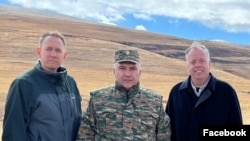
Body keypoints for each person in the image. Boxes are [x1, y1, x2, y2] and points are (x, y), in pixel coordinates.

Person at [2, 31, 82, 141]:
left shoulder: (71, 83)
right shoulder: (24, 84)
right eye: (49, 49)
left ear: (64, 56)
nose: (53, 54)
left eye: (58, 50)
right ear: (39, 52)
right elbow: (13, 132)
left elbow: (78, 125)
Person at [77, 49, 171, 140]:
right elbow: (85, 135)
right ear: (114, 71)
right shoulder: (98, 98)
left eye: (133, 69)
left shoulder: (154, 101)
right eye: (122, 68)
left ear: (140, 72)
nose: (127, 74)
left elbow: (164, 136)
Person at [165, 41, 243, 141]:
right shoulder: (176, 93)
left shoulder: (226, 92)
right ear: (188, 66)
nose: (198, 65)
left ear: (209, 64)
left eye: (202, 61)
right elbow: (168, 130)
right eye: (193, 62)